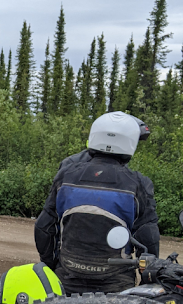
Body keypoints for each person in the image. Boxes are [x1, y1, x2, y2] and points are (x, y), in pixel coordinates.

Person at [34, 111, 159, 294]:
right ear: (130, 142)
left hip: (67, 277)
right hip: (115, 284)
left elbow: (44, 228)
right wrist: (148, 280)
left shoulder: (66, 176)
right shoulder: (138, 184)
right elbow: (148, 239)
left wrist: (51, 265)